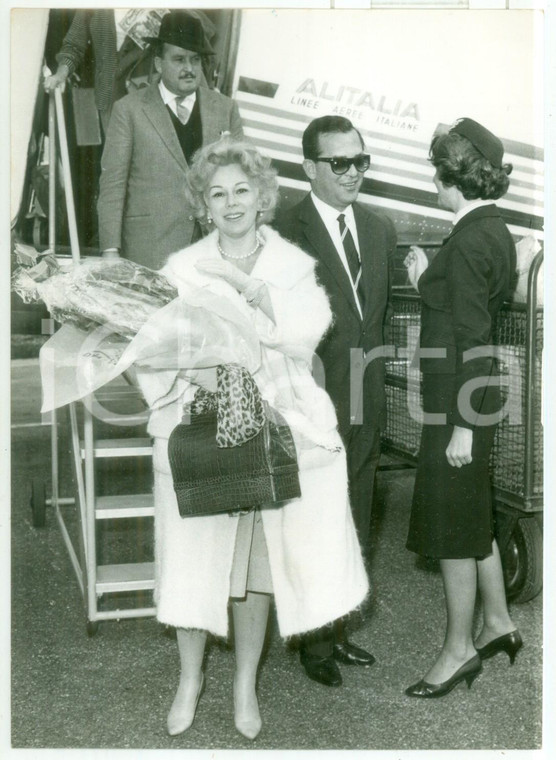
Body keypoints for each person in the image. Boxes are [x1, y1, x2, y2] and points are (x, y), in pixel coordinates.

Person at [136, 138, 369, 739]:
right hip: (199, 426)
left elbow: (310, 333)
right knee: (194, 559)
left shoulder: (291, 265)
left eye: (242, 190)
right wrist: (190, 369)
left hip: (274, 424)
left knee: (260, 562)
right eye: (218, 194)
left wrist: (257, 296)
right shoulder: (180, 270)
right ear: (202, 205)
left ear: (262, 197)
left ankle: (244, 687)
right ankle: (189, 680)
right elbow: (149, 351)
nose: (232, 202)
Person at [274, 115, 397, 687]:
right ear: (309, 168)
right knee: (315, 516)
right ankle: (314, 642)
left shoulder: (379, 229)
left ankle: (339, 626)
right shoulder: (283, 230)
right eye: (339, 163)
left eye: (360, 161)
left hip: (366, 394)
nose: (353, 173)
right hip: (312, 397)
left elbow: (376, 317)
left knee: (358, 509)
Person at [403, 118, 520, 699]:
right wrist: (431, 280)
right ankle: (497, 621)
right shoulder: (492, 229)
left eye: (436, 168)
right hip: (468, 393)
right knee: (474, 514)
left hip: (459, 399)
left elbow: (472, 333)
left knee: (453, 527)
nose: (432, 178)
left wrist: (462, 429)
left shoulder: (471, 238)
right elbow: (467, 306)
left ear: (451, 176)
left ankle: (458, 651)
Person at [97, 11, 243, 269]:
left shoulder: (225, 109)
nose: (189, 69)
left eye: (195, 60)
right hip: (149, 250)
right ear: (158, 63)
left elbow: (243, 180)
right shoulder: (129, 110)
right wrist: (110, 251)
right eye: (179, 60)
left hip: (212, 250)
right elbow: (113, 184)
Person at [43, 8, 160, 132]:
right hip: (109, 95)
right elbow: (74, 45)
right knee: (116, 149)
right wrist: (61, 74)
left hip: (150, 93)